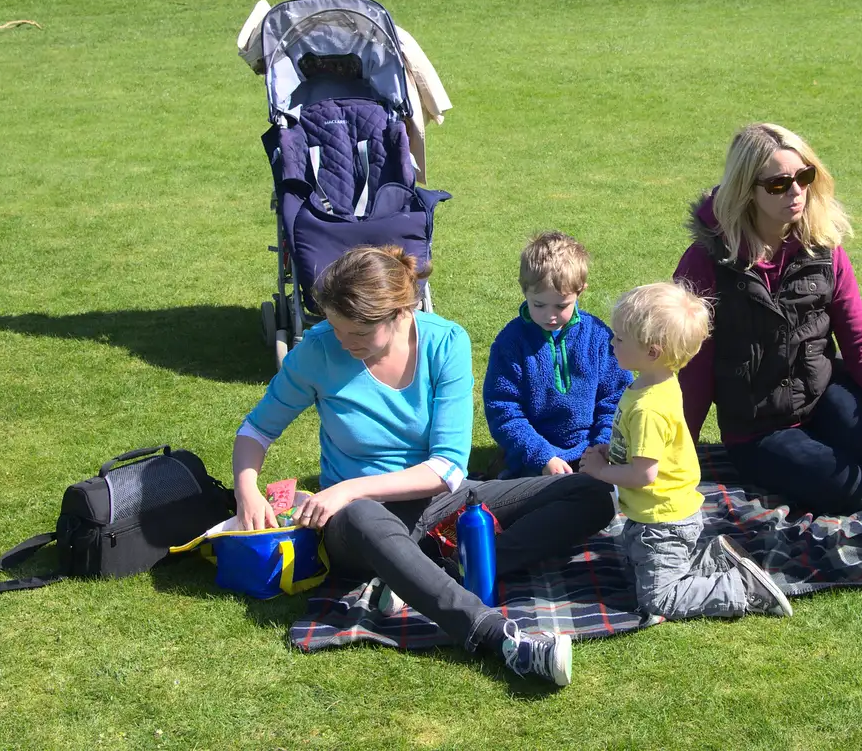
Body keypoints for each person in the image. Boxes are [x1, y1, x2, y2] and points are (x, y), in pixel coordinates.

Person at [231, 245, 615, 686]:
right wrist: (248, 490)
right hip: (359, 524)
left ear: (398, 315)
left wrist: (349, 487)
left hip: (439, 501)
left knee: (593, 493)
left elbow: (448, 468)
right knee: (362, 514)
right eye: (334, 328)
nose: (341, 341)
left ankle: (433, 574)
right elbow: (256, 430)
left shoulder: (445, 341)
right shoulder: (318, 350)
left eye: (355, 333)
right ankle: (500, 637)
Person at [674, 123, 862, 517]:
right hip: (758, 428)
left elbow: (859, 338)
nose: (797, 191)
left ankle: (829, 444)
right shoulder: (705, 263)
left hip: (821, 394)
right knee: (858, 493)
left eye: (805, 177)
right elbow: (693, 365)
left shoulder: (823, 248)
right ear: (746, 190)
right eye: (779, 184)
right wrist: (676, 448)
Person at [579, 282, 792, 620]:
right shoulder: (654, 383)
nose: (612, 342)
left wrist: (600, 471)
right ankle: (711, 558)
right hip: (656, 516)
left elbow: (643, 474)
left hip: (662, 521)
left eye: (619, 338)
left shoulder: (649, 406)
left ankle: (742, 588)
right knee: (631, 564)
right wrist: (613, 450)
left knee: (657, 599)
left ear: (652, 351)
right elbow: (647, 448)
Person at [483, 232, 634, 477]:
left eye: (561, 306)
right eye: (539, 305)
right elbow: (503, 408)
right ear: (524, 291)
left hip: (592, 455)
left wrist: (601, 447)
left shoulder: (597, 337)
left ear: (580, 292)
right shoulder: (510, 342)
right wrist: (542, 456)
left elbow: (616, 399)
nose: (550, 316)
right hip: (533, 460)